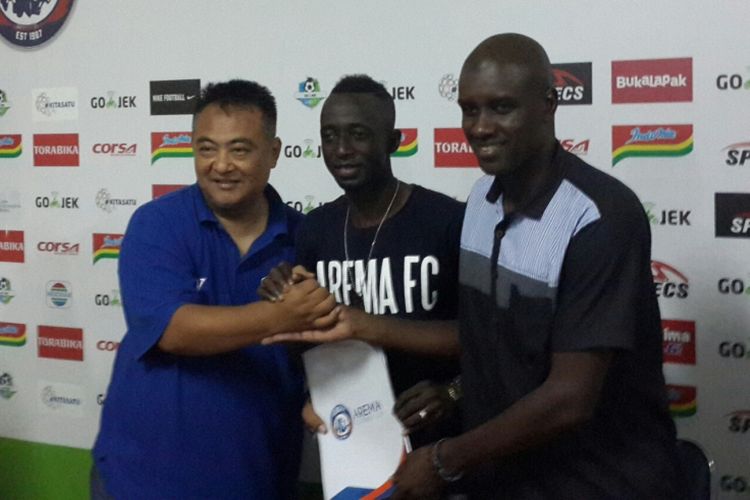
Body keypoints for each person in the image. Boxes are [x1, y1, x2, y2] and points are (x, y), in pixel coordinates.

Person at [390, 34, 682, 499]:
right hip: (504, 478)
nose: (480, 127)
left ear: (549, 104)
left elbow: (571, 398)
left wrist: (446, 460)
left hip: (598, 482)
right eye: (469, 109)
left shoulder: (600, 215)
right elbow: (494, 341)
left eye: (501, 107)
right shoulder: (481, 204)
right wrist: (455, 394)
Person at [91, 80, 337, 499]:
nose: (221, 165)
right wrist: (282, 315)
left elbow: (322, 347)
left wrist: (326, 395)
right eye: (207, 148)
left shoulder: (307, 238)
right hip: (143, 481)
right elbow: (174, 330)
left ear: (273, 153)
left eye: (239, 149)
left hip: (258, 480)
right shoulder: (157, 224)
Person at [260, 74, 464, 446]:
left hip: (440, 447)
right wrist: (283, 307)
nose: (341, 149)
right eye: (330, 135)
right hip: (352, 445)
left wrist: (453, 392)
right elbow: (305, 349)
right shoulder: (315, 230)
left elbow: (486, 339)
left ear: (393, 141)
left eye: (358, 134)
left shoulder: (448, 221)